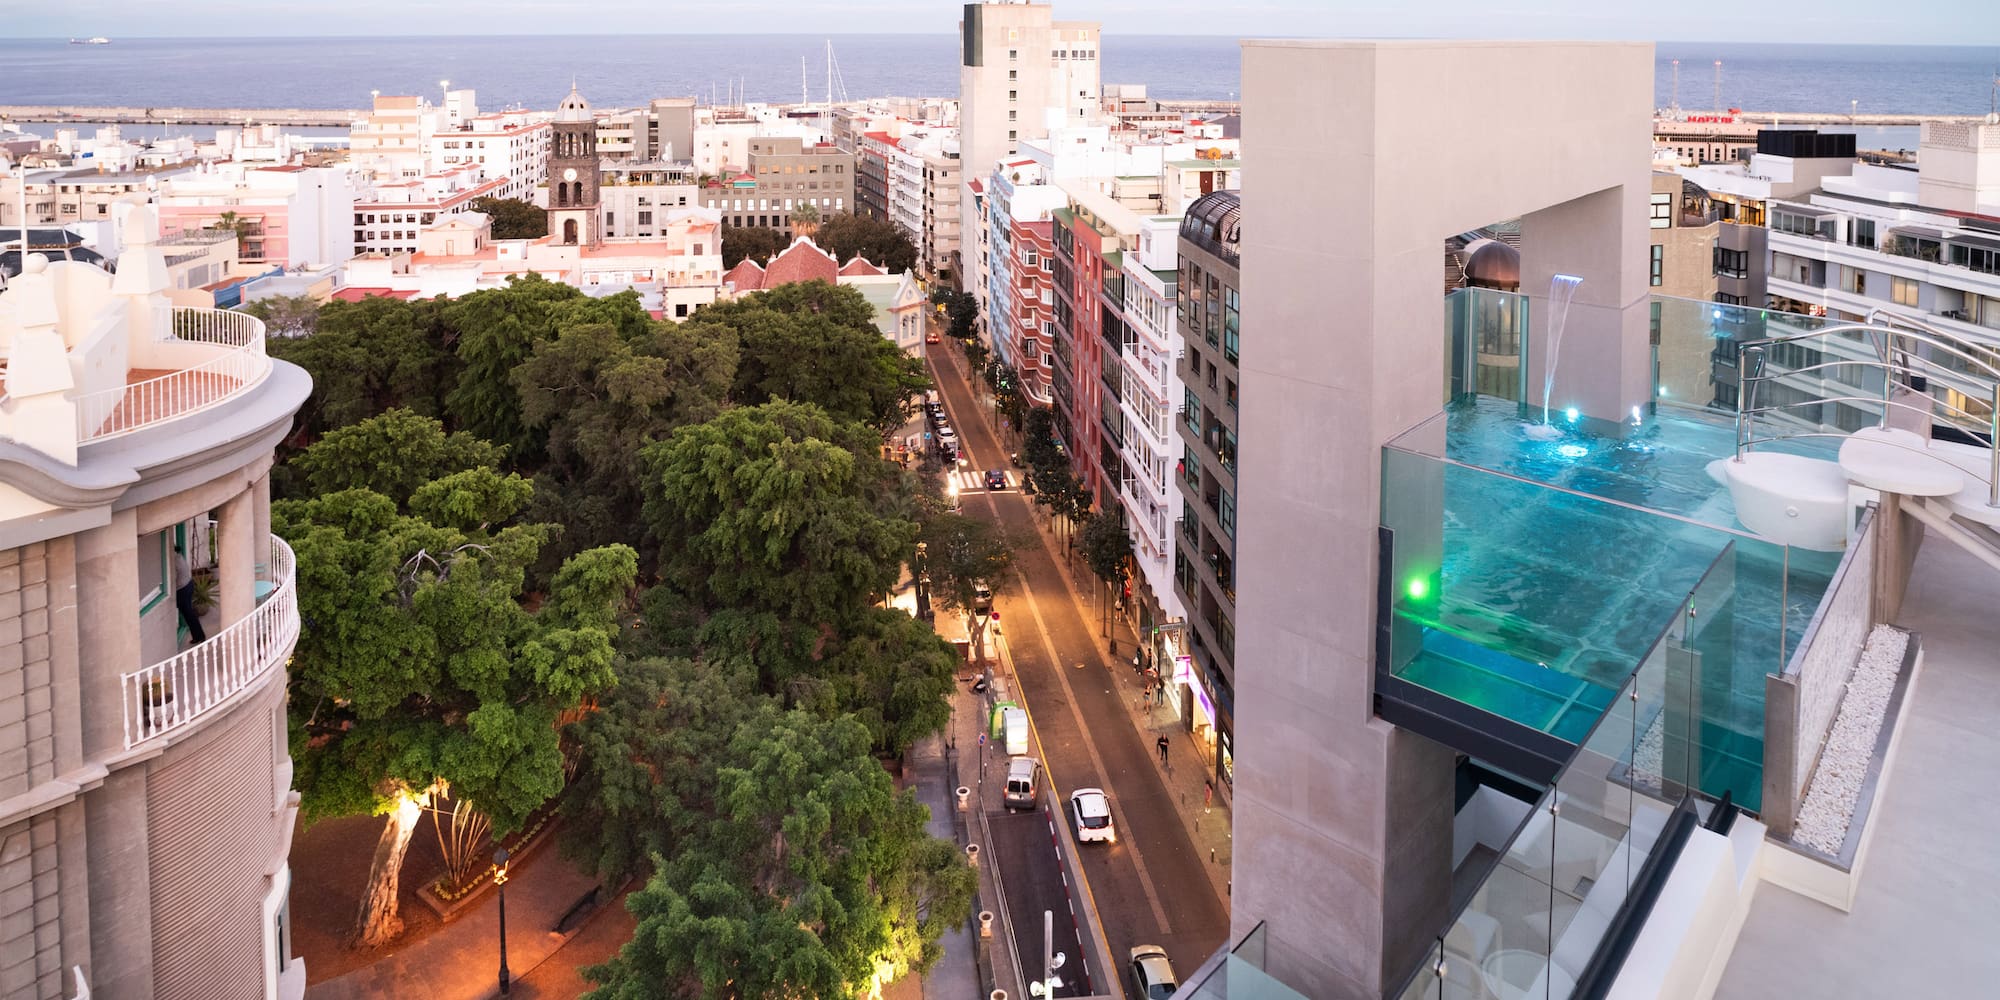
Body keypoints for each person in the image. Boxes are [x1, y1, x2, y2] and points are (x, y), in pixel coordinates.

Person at [172, 544, 207, 644]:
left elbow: (172, 579)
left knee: (189, 615)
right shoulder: (179, 556)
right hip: (188, 585)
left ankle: (200, 636)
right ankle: (198, 636)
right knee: (189, 614)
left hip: (182, 589)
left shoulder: (173, 561)